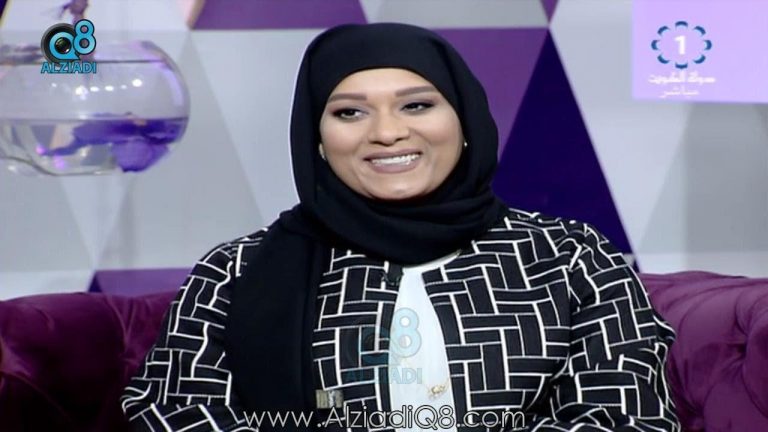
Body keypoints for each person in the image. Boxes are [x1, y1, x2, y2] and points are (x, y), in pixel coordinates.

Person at [121, 23, 680, 432]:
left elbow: (626, 415)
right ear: (317, 139)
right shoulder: (236, 271)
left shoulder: (569, 256)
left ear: (465, 121)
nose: (387, 133)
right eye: (350, 112)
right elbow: (172, 412)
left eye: (416, 106)